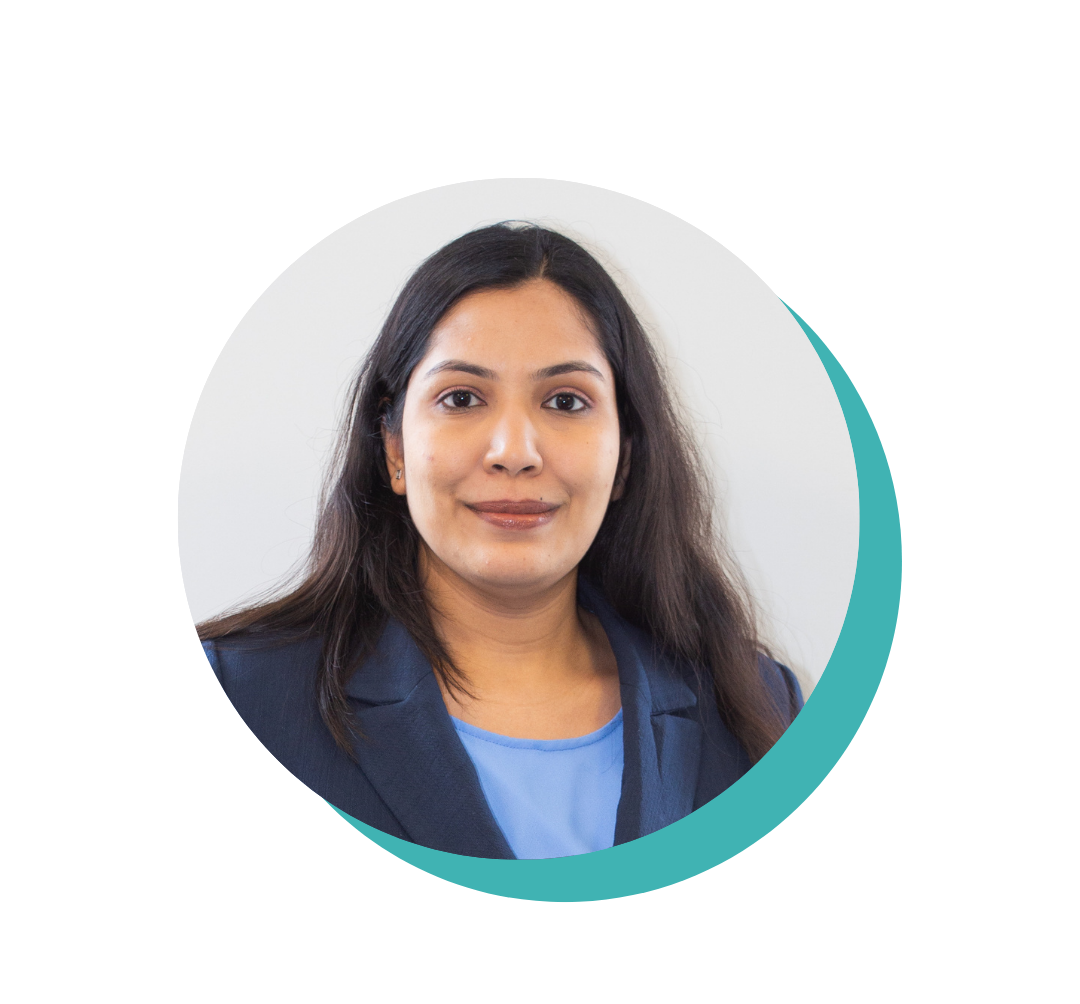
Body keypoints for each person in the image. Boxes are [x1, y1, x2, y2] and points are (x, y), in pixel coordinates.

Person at [199, 222, 803, 860]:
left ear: (625, 455)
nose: (514, 452)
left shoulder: (757, 710)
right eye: (461, 398)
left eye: (566, 402)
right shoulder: (243, 693)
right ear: (394, 448)